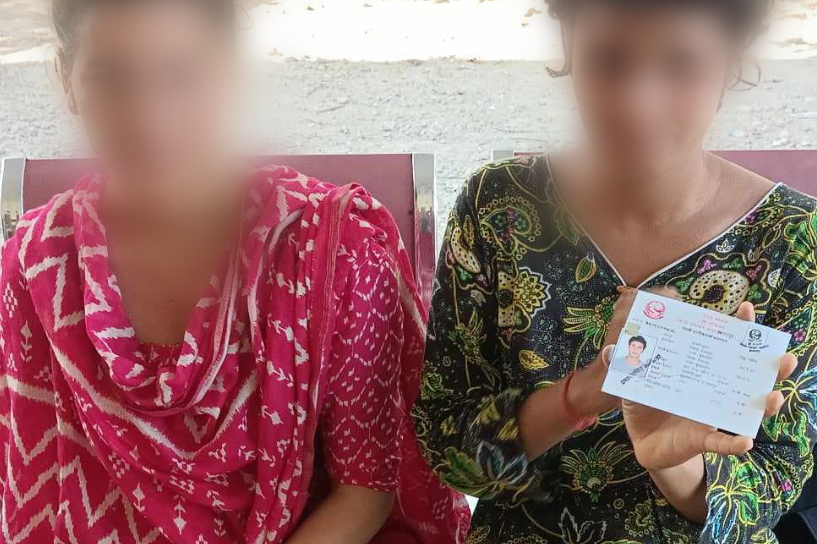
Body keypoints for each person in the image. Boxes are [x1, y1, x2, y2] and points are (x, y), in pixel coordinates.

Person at [0, 1, 470, 543]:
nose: (150, 119)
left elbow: (366, 486)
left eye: (181, 76)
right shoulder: (38, 267)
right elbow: (35, 495)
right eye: (111, 79)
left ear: (229, 71)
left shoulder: (333, 252)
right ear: (65, 79)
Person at [412, 0, 817, 543]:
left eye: (681, 64)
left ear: (731, 61)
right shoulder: (498, 209)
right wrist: (580, 396)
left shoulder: (792, 239)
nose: (637, 105)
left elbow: (770, 487)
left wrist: (672, 462)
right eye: (609, 60)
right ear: (567, 47)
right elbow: (450, 455)